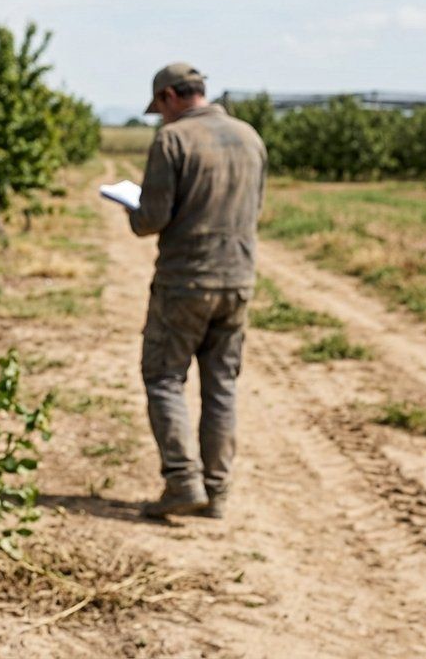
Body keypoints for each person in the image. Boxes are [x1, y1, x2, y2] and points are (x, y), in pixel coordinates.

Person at [127, 62, 267, 520]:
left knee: (164, 377)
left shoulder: (172, 140)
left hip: (185, 282)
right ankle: (217, 490)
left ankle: (183, 480)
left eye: (160, 107)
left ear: (169, 96)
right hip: (237, 280)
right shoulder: (250, 137)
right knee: (221, 384)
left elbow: (151, 219)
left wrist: (132, 208)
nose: (161, 117)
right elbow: (254, 210)